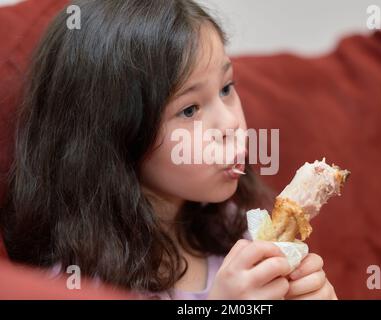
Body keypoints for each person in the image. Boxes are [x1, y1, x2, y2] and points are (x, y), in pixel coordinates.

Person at [0, 0, 336, 300]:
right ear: (117, 136)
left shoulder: (238, 231)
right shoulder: (75, 284)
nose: (230, 124)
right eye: (189, 110)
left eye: (226, 88)